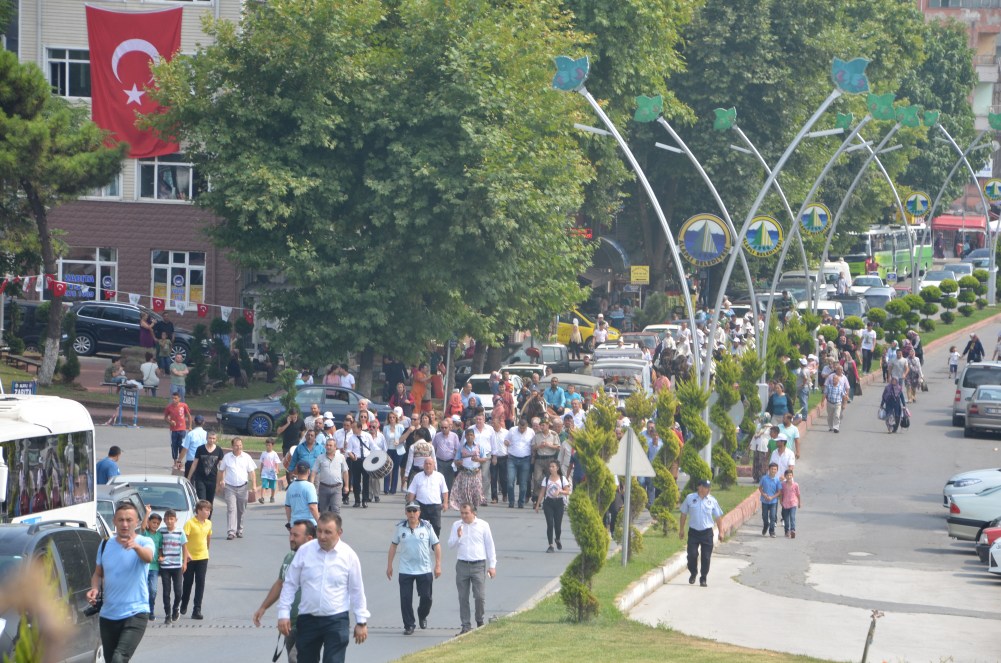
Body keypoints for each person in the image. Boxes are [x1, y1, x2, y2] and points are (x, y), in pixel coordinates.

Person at [277, 512, 369, 663]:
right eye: (319, 531)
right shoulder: (305, 551)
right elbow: (290, 584)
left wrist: (361, 621)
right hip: (308, 619)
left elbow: (357, 590)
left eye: (327, 532)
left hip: (336, 620)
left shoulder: (349, 555)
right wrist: (283, 613)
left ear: (339, 532)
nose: (322, 536)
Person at [87, 503, 154, 660]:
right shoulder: (105, 544)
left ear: (137, 522)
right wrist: (94, 588)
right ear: (114, 522)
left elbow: (148, 557)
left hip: (136, 612)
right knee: (111, 659)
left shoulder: (144, 542)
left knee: (119, 658)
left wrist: (136, 547)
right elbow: (98, 573)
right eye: (121, 520)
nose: (125, 524)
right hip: (108, 614)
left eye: (129, 520)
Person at [253, 520, 317, 663]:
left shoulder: (317, 560)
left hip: (309, 622)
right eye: (290, 534)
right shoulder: (289, 557)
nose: (291, 538)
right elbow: (280, 583)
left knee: (296, 658)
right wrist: (263, 607)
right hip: (290, 622)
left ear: (309, 539)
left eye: (296, 535)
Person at [387, 502, 442, 635]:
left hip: (424, 569)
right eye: (409, 511)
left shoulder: (427, 527)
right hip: (406, 569)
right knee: (405, 599)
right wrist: (389, 565)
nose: (412, 513)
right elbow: (393, 545)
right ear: (406, 513)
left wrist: (438, 565)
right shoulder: (400, 528)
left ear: (419, 512)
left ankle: (422, 614)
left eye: (414, 511)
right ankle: (409, 625)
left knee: (426, 597)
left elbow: (436, 545)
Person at [448, 504, 497, 635]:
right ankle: (465, 625)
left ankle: (479, 620)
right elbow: (450, 545)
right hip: (462, 564)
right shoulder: (457, 525)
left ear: (473, 513)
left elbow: (490, 545)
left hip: (478, 565)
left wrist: (492, 565)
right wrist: (458, 536)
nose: (464, 516)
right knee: (463, 597)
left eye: (466, 513)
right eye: (462, 513)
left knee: (479, 596)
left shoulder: (483, 525)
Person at [678, 479, 724, 587]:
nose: (708, 490)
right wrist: (681, 529)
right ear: (700, 487)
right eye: (706, 487)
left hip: (707, 533)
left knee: (706, 557)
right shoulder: (690, 498)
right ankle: (693, 572)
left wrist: (721, 531)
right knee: (692, 555)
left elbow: (718, 517)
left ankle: (703, 578)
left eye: (708, 488)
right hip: (693, 532)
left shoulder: (712, 500)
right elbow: (683, 514)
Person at [217, 438, 258, 540]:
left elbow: (252, 472)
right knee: (231, 509)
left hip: (243, 487)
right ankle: (231, 531)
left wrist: (254, 485)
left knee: (241, 510)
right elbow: (221, 471)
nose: (238, 447)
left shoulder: (246, 457)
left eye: (240, 445)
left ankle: (239, 530)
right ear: (232, 446)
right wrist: (220, 482)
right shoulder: (227, 457)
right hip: (230, 487)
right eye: (236, 445)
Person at [180, 499, 212, 620]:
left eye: (209, 510)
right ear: (198, 511)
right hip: (190, 558)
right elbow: (184, 540)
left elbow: (208, 536)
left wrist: (207, 549)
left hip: (203, 557)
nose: (208, 512)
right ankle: (184, 603)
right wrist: (186, 554)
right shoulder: (190, 523)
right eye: (206, 510)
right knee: (188, 582)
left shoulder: (208, 523)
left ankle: (197, 609)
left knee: (200, 583)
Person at [406, 458, 449, 537]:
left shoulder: (439, 476)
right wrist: (409, 505)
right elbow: (412, 492)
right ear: (423, 465)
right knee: (420, 527)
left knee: (436, 527)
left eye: (430, 464)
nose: (428, 466)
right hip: (421, 506)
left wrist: (445, 503)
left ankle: (434, 543)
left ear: (434, 466)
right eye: (426, 464)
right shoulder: (417, 476)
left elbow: (445, 491)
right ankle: (422, 542)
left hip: (435, 506)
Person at [535, 460, 571, 553]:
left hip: (559, 503)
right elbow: (542, 492)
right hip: (548, 503)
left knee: (558, 526)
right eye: (550, 466)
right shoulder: (546, 479)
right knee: (550, 524)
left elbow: (567, 491)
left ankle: (557, 539)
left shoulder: (562, 479)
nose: (551, 468)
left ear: (557, 468)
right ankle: (550, 545)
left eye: (553, 466)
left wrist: (560, 491)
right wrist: (538, 504)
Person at [158, 508, 188, 623]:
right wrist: (160, 556)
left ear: (176, 520)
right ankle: (167, 614)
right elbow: (159, 546)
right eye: (167, 519)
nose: (169, 521)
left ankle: (176, 608)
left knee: (178, 591)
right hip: (165, 566)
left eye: (171, 519)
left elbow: (185, 548)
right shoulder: (161, 532)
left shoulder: (180, 532)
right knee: (166, 591)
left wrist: (184, 563)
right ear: (164, 520)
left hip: (177, 566)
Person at [311, 438, 350, 514]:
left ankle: (335, 522)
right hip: (323, 487)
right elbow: (314, 472)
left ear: (335, 447)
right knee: (323, 511)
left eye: (330, 445)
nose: (328, 447)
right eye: (327, 445)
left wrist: (346, 486)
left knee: (336, 510)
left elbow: (345, 471)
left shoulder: (341, 457)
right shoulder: (320, 457)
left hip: (337, 487)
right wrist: (311, 485)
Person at [450, 428, 483, 511]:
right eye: (468, 435)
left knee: (477, 491)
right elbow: (456, 460)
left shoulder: (479, 446)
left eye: (471, 435)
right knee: (466, 491)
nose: (469, 437)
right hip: (465, 472)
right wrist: (458, 462)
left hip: (476, 473)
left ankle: (474, 505)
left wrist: (478, 459)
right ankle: (469, 508)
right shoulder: (461, 448)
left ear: (474, 436)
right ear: (465, 437)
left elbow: (485, 458)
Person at [187, 432, 224, 504]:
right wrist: (189, 477)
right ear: (206, 438)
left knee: (210, 502)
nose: (211, 440)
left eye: (213, 438)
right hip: (200, 479)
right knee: (202, 501)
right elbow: (194, 464)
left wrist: (221, 480)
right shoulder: (200, 449)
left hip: (212, 479)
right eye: (210, 438)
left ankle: (208, 512)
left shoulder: (219, 450)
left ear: (216, 439)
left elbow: (222, 467)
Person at [505, 418, 534, 508]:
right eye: (520, 428)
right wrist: (506, 443)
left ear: (527, 426)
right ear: (518, 425)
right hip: (512, 458)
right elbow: (506, 440)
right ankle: (511, 501)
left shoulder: (531, 432)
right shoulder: (512, 430)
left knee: (523, 482)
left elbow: (533, 445)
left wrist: (533, 457)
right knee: (510, 480)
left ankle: (521, 502)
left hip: (525, 459)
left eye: (523, 428)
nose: (522, 430)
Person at [140, 509, 163, 622]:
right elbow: (143, 527)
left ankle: (151, 610)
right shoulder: (145, 534)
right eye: (153, 522)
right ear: (149, 522)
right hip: (144, 567)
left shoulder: (159, 536)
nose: (155, 525)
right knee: (143, 590)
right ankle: (144, 611)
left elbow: (160, 550)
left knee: (153, 590)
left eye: (158, 523)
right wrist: (147, 513)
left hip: (154, 568)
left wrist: (161, 557)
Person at [163, 393, 192, 465]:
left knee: (181, 445)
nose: (174, 400)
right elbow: (165, 418)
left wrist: (190, 426)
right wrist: (170, 422)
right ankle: (175, 460)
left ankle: (180, 460)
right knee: (174, 445)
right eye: (173, 398)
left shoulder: (184, 406)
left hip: (182, 429)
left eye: (175, 398)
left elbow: (189, 416)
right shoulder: (169, 407)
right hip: (173, 430)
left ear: (179, 399)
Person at [759, 463, 782, 538]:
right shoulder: (764, 478)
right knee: (764, 516)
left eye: (775, 469)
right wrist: (764, 495)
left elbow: (779, 492)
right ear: (769, 469)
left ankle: (772, 531)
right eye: (772, 469)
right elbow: (760, 488)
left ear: (777, 470)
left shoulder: (777, 480)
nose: (773, 470)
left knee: (772, 516)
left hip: (773, 501)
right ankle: (766, 525)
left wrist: (772, 497)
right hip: (764, 501)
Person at [259, 438, 282, 504]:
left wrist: (277, 469)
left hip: (272, 472)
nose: (268, 446)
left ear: (272, 445)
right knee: (264, 485)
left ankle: (272, 497)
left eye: (269, 445)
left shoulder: (274, 454)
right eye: (266, 445)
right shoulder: (263, 453)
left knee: (273, 486)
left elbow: (276, 462)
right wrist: (261, 471)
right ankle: (262, 498)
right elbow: (262, 463)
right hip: (265, 472)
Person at [781, 469, 801, 538]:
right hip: (785, 503)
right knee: (786, 519)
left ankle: (793, 530)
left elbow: (798, 494)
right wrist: (781, 501)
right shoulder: (783, 484)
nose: (789, 477)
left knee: (792, 517)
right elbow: (781, 494)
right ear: (785, 476)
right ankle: (787, 531)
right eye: (787, 475)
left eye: (790, 475)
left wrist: (799, 502)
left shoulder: (795, 485)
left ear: (792, 476)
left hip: (793, 503)